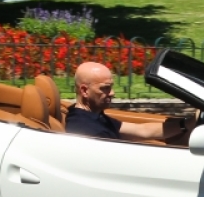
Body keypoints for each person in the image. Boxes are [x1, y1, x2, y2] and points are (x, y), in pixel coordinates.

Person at [65, 61, 196, 143]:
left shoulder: (95, 117)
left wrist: (186, 123)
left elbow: (142, 130)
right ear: (84, 91)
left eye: (111, 87)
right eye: (105, 88)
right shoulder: (85, 130)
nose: (112, 93)